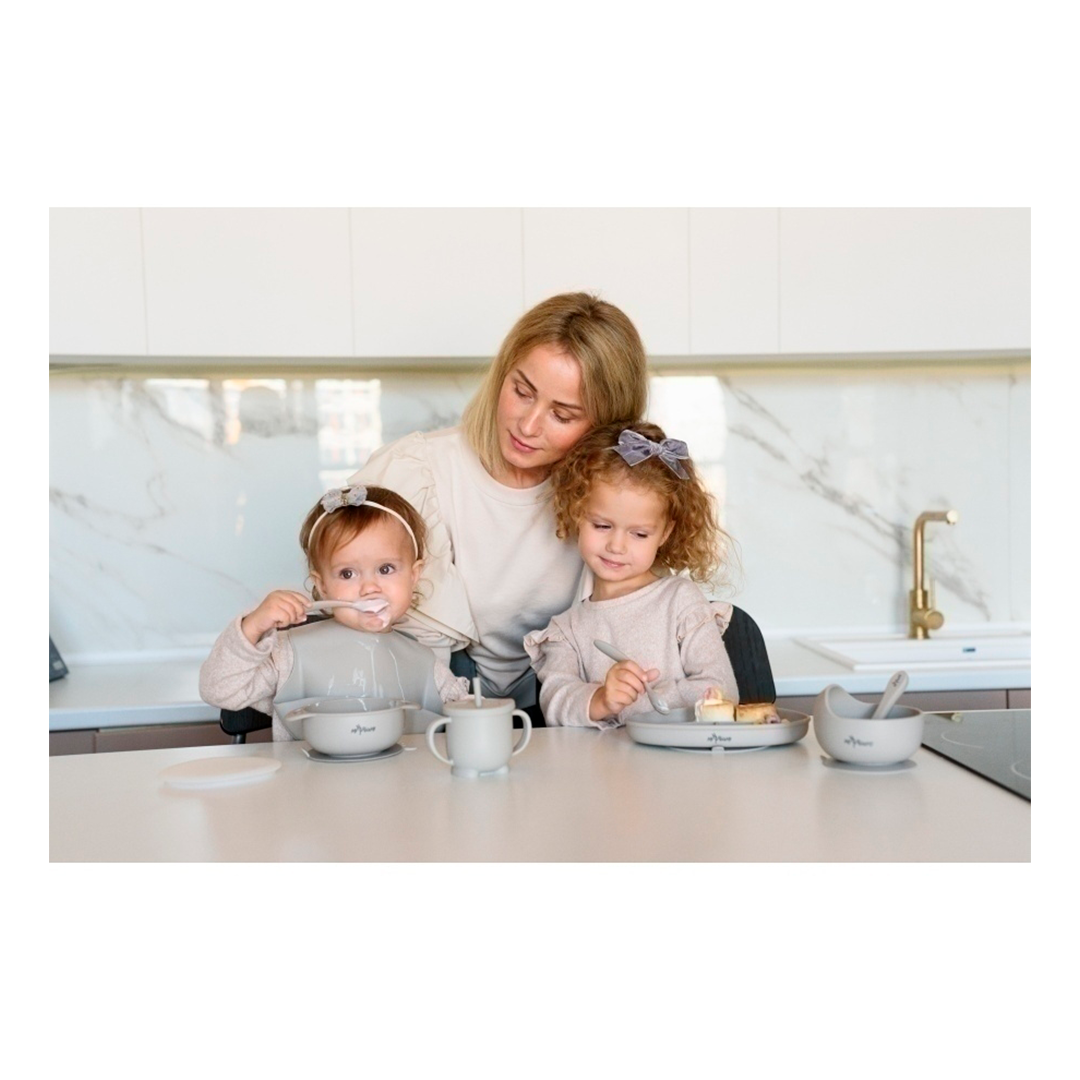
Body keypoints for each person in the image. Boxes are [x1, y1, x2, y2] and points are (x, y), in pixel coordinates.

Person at [347, 292, 649, 722]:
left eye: (562, 416)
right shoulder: (416, 471)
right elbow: (341, 597)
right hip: (433, 714)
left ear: (605, 427)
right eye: (522, 391)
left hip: (566, 712)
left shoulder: (614, 501)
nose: (528, 425)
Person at [199, 484, 471, 738]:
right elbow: (219, 690)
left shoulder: (425, 663)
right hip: (307, 776)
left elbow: (467, 717)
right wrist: (253, 626)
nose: (369, 588)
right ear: (323, 586)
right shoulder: (288, 654)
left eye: (385, 569)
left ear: (414, 575)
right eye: (347, 573)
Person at [523, 421, 739, 728]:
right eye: (602, 526)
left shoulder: (680, 602)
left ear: (665, 533)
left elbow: (721, 691)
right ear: (576, 513)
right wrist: (600, 699)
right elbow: (555, 702)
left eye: (639, 534)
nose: (616, 546)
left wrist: (637, 704)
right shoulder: (567, 630)